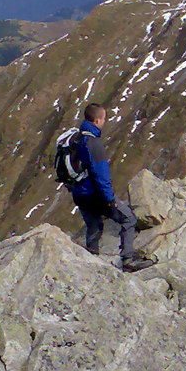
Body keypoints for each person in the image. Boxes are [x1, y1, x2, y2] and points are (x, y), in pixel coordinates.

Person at [69, 103, 153, 272]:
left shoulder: (76, 138)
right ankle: (128, 259)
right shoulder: (94, 144)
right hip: (94, 195)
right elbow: (101, 176)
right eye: (104, 119)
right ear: (98, 120)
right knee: (128, 218)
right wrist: (110, 201)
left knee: (94, 224)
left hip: (79, 193)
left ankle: (92, 256)